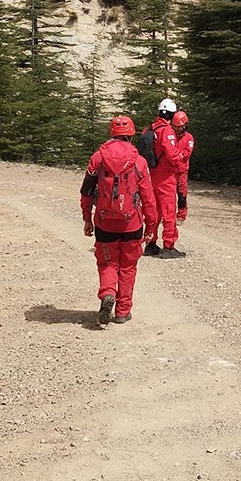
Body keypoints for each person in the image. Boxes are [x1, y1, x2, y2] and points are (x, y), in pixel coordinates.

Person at [80, 116, 158, 326]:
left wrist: (87, 218)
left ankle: (107, 293)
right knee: (128, 267)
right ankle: (123, 312)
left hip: (105, 223)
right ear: (131, 135)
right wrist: (151, 226)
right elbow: (149, 197)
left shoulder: (98, 158)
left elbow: (86, 192)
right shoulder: (139, 161)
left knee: (107, 263)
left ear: (111, 134)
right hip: (132, 223)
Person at [139, 98, 189, 258]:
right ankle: (169, 246)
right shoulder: (166, 131)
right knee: (168, 211)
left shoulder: (149, 129)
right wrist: (181, 155)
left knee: (153, 211)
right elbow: (173, 156)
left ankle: (150, 243)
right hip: (165, 176)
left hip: (150, 175)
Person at [172, 110, 195, 222]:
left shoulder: (189, 138)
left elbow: (187, 153)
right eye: (175, 126)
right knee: (169, 195)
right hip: (170, 171)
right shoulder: (169, 136)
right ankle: (169, 215)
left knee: (182, 194)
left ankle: (181, 215)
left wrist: (176, 155)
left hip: (181, 171)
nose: (177, 129)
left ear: (185, 125)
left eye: (179, 127)